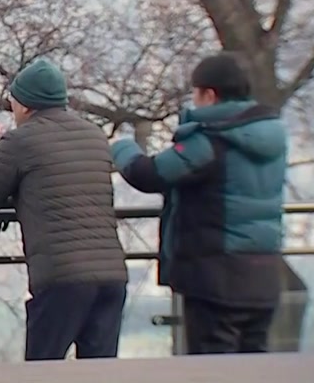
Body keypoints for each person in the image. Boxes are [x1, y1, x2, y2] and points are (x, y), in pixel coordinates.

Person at [110, 52, 288, 355]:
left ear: (209, 94)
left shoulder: (209, 142)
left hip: (216, 280)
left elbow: (150, 174)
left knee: (214, 368)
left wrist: (123, 148)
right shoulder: (272, 136)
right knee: (256, 369)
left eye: (195, 93)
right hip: (265, 276)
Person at [0, 58, 129, 361]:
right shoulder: (95, 135)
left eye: (13, 103)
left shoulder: (20, 140)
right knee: (101, 376)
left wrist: (9, 200)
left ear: (27, 106)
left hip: (62, 279)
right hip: (111, 276)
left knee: (42, 372)